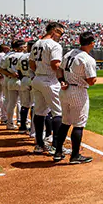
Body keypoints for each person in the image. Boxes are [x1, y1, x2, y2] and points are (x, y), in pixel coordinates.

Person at [54, 31, 97, 164]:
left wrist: (61, 80)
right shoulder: (88, 59)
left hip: (65, 89)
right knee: (79, 124)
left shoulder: (69, 53)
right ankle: (75, 155)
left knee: (65, 122)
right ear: (91, 43)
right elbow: (91, 80)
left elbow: (59, 69)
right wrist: (94, 79)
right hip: (78, 91)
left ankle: (58, 152)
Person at [30, 22, 65, 155]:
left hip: (38, 78)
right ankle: (56, 146)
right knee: (58, 112)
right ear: (54, 30)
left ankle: (39, 144)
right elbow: (55, 64)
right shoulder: (54, 45)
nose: (60, 36)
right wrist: (63, 78)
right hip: (50, 80)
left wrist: (39, 71)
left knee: (39, 112)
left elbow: (31, 64)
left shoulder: (36, 43)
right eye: (60, 33)